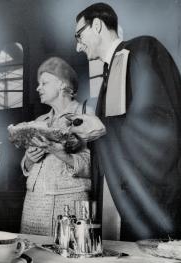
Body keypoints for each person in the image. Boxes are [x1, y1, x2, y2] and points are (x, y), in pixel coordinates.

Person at [75, 3, 181, 240]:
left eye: (79, 35)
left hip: (149, 203)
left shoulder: (143, 49)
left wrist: (102, 127)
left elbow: (161, 120)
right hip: (117, 199)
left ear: (98, 25)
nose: (77, 45)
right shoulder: (108, 73)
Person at [20, 57, 105, 236]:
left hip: (69, 202)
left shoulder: (85, 115)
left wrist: (60, 153)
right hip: (34, 204)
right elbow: (26, 166)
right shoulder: (39, 121)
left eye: (44, 83)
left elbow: (97, 166)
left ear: (61, 84)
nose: (38, 88)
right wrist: (29, 159)